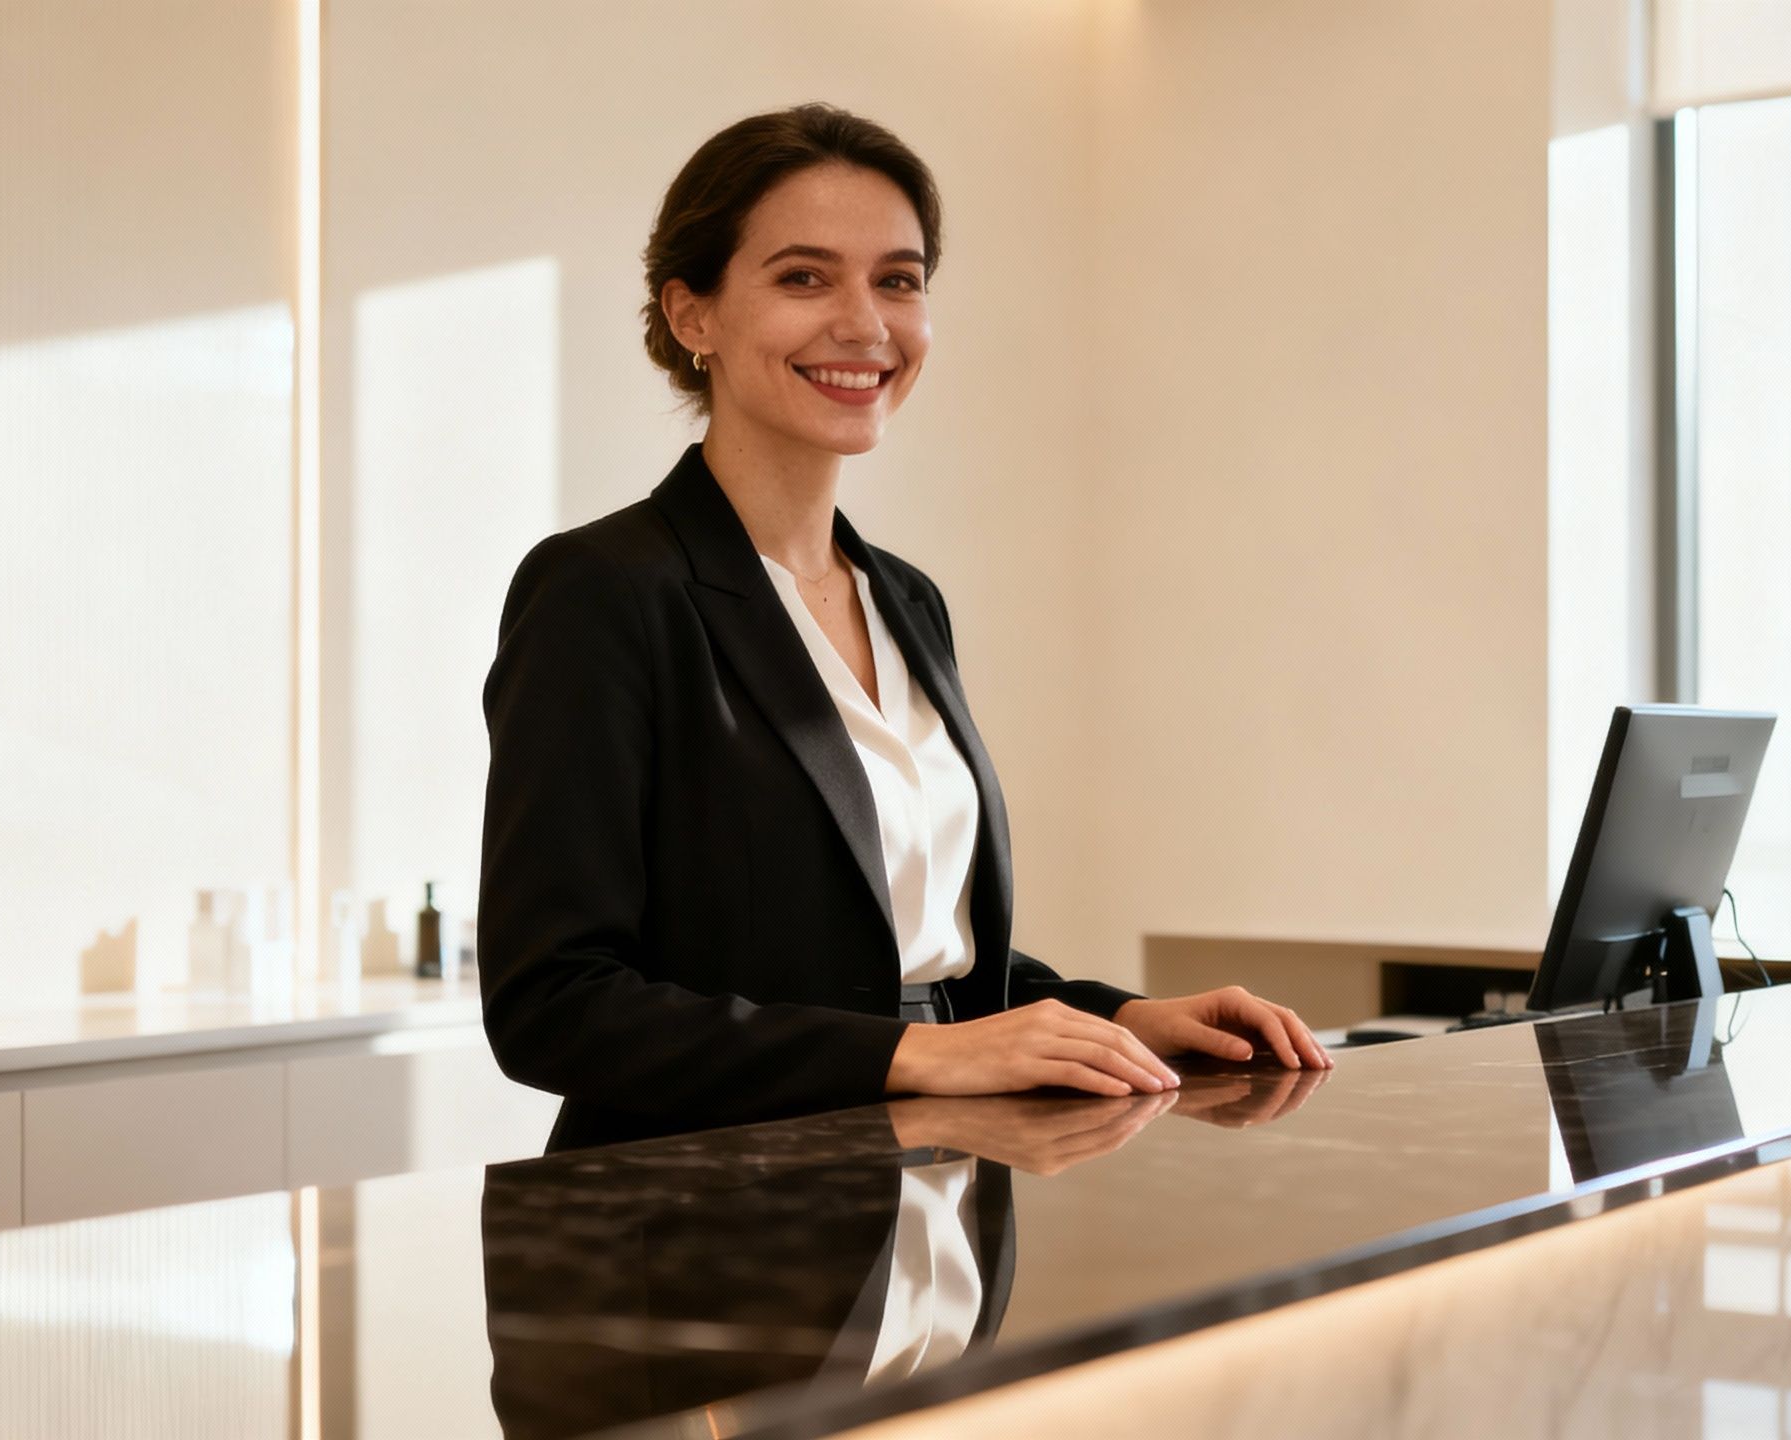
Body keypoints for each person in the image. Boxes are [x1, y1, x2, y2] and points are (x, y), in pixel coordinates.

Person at [479, 103, 1330, 1154]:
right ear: (692, 314)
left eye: (898, 278)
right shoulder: (604, 591)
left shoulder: (905, 601)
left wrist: (1119, 1017)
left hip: (929, 1190)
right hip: (705, 1232)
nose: (866, 323)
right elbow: (552, 1006)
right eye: (804, 277)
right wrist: (914, 1056)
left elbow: (900, 954)